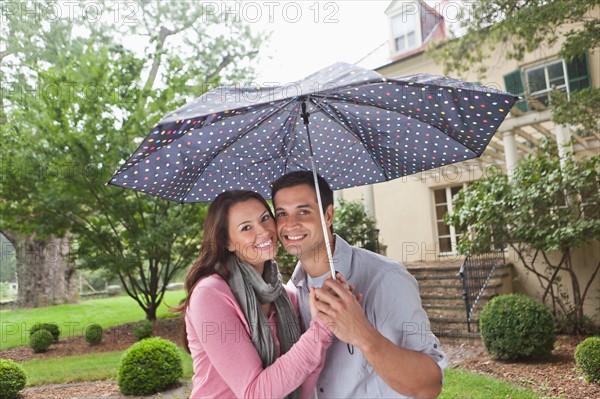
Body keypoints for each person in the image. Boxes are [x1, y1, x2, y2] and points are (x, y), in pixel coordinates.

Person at [272, 171, 448, 398]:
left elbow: (429, 386)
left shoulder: (386, 277)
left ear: (328, 216)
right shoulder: (292, 293)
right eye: (281, 214)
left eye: (303, 211)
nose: (290, 224)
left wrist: (362, 334)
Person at [178, 190, 340, 399]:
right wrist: (321, 330)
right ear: (227, 242)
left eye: (265, 218)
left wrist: (327, 315)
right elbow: (254, 393)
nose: (264, 231)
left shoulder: (285, 297)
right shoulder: (210, 295)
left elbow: (305, 376)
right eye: (246, 228)